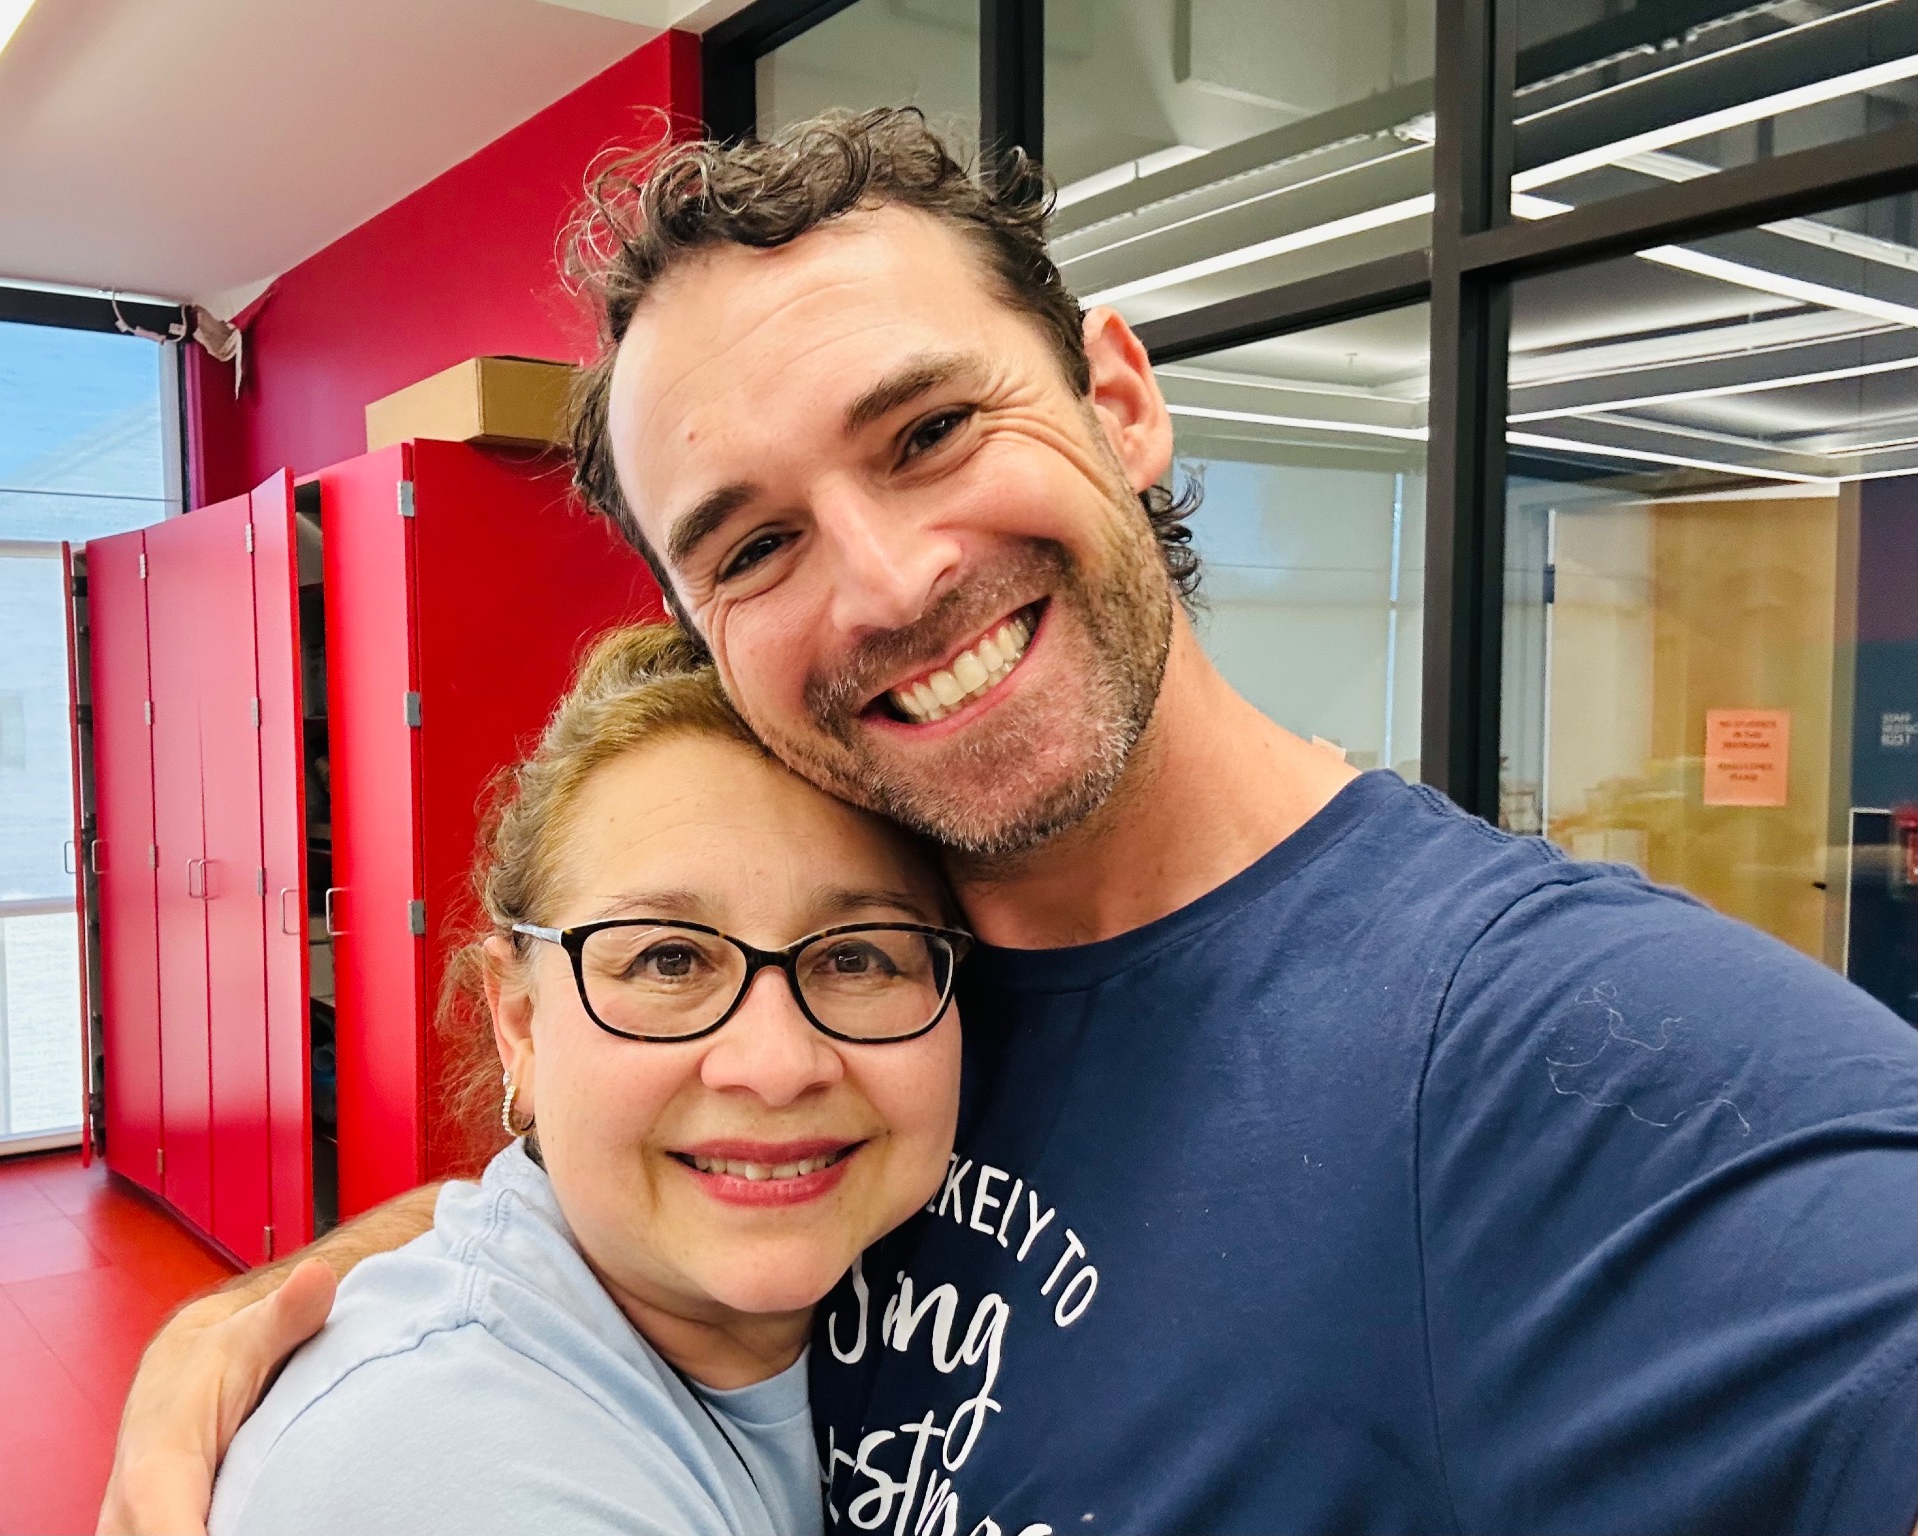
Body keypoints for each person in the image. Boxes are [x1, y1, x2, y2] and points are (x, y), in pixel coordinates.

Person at [103, 110, 1918, 1536]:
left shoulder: (1546, 1055)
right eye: (756, 543)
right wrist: (294, 1315)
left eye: (926, 433)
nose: (890, 582)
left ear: (1116, 401)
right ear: (704, 636)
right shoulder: (865, 993)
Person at [206, 624, 966, 1535]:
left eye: (857, 957)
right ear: (520, 1025)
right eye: (669, 960)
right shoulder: (447, 1462)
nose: (776, 1066)